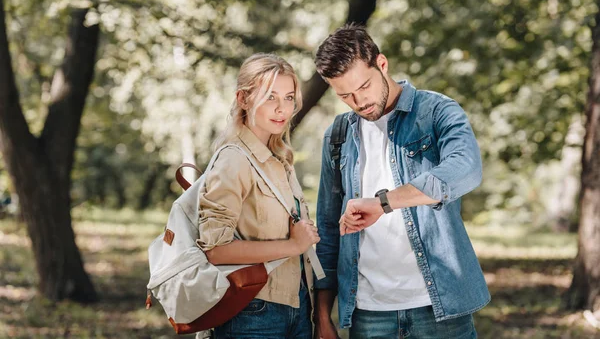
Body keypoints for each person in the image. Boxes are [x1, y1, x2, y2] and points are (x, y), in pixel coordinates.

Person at [313, 25, 490, 339]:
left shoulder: (436, 112)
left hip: (439, 309)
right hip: (368, 314)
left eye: (364, 86)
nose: (358, 101)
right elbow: (328, 228)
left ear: (382, 64)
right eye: (344, 95)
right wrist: (322, 314)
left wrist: (384, 203)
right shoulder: (337, 136)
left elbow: (466, 168)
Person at [196, 53, 319, 339]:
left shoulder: (280, 160)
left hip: (298, 308)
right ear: (243, 99)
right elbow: (214, 251)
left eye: (289, 98)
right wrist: (293, 245)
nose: (282, 109)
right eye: (270, 97)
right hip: (253, 312)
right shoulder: (233, 159)